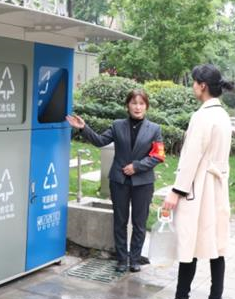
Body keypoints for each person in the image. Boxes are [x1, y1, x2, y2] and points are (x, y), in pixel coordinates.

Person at [159, 64, 234, 299]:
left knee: (188, 240)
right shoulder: (223, 115)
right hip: (217, 187)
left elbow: (190, 158)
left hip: (198, 187)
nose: (192, 86)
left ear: (202, 85)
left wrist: (176, 191)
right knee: (216, 243)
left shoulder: (202, 116)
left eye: (194, 82)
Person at [66, 89, 165, 273]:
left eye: (141, 103)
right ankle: (121, 259)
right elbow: (100, 141)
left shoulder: (154, 129)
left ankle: (134, 259)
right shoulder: (118, 125)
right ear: (127, 105)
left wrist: (137, 166)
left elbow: (158, 156)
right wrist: (83, 128)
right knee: (120, 221)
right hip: (119, 181)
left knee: (139, 223)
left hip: (143, 182)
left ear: (146, 106)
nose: (137, 107)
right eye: (134, 103)